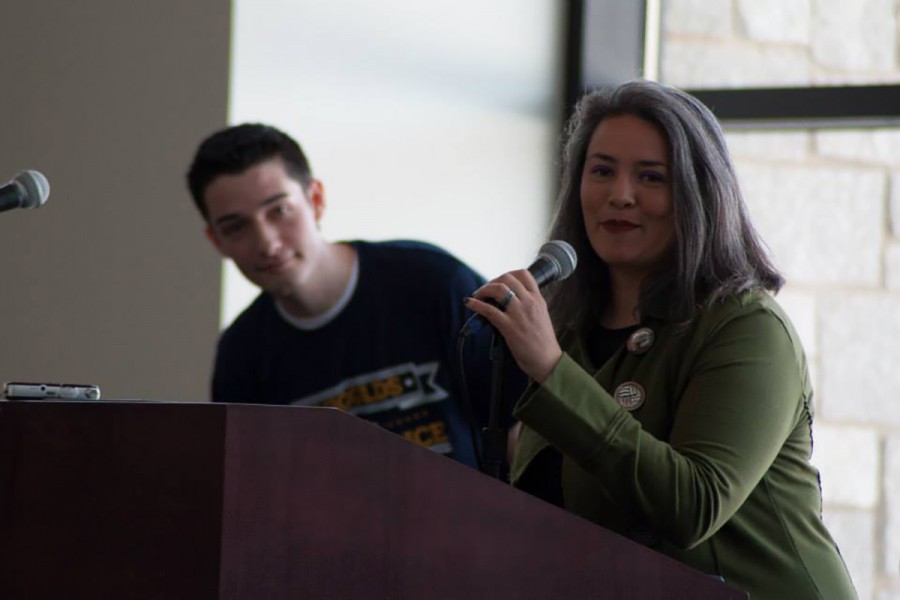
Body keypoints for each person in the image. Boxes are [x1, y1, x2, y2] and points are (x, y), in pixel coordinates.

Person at [465, 80, 856, 598]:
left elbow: (694, 507)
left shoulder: (747, 326)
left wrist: (552, 371)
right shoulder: (568, 327)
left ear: (698, 194)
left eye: (651, 177)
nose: (619, 195)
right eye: (601, 171)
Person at [186, 123, 523, 469]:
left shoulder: (433, 282)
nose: (267, 243)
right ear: (216, 241)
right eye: (236, 227)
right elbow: (249, 485)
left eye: (279, 211)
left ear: (316, 200)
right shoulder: (242, 354)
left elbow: (521, 426)